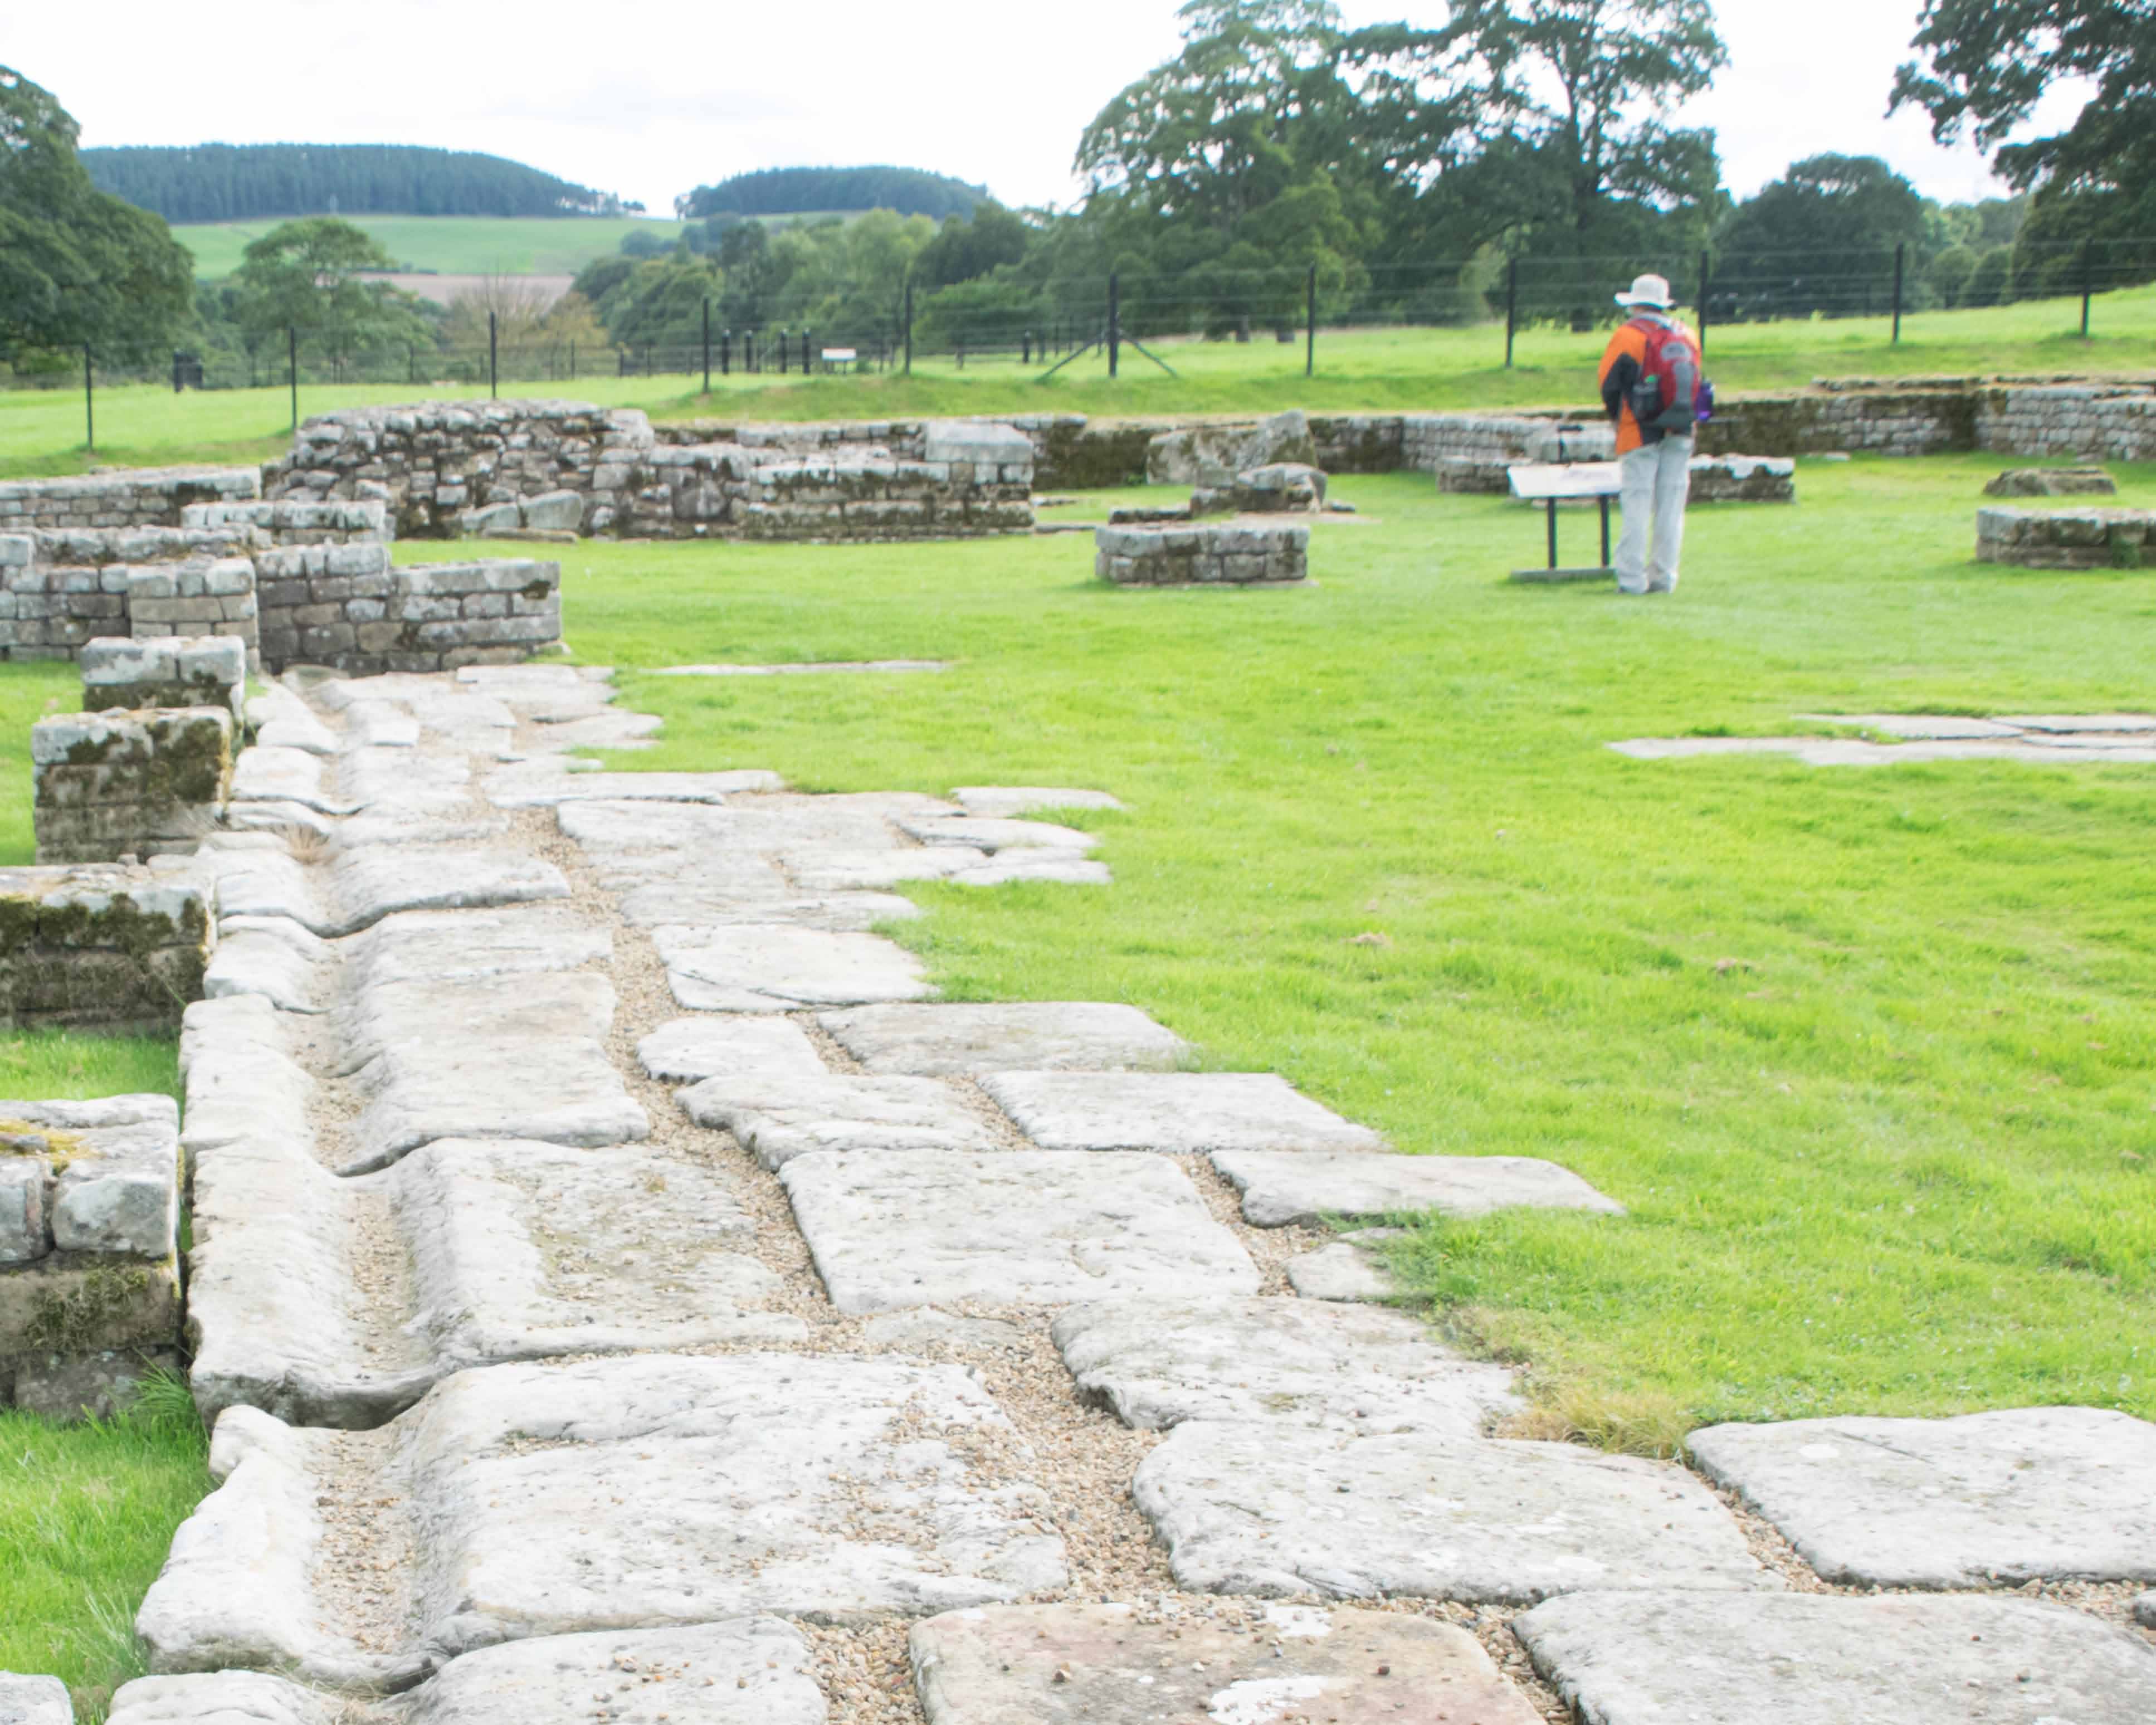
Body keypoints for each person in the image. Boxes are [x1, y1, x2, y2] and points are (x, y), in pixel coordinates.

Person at [1598, 274, 1703, 595]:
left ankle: (1631, 580)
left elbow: (1609, 385)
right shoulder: (1688, 334)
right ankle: (1664, 577)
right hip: (1681, 426)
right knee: (1671, 507)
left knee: (1637, 505)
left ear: (1634, 304)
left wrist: (1618, 419)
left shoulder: (1628, 336)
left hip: (1639, 431)